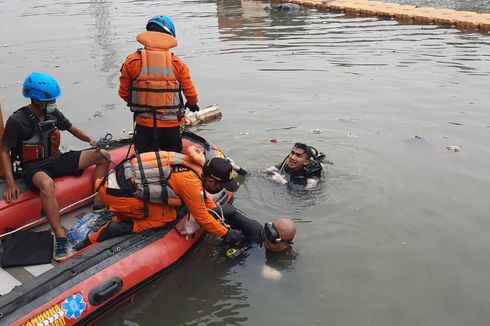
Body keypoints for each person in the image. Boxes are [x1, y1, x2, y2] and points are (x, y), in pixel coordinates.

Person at [0, 72, 111, 261]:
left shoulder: (52, 113)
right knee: (47, 184)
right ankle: (60, 236)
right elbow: (4, 151)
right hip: (33, 167)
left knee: (104, 156)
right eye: (49, 99)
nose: (52, 102)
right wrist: (11, 183)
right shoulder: (16, 121)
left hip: (55, 159)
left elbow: (71, 128)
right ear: (35, 98)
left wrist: (89, 139)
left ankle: (99, 205)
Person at [74, 149, 243, 250]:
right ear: (211, 181)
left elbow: (203, 199)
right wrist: (226, 233)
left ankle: (86, 241)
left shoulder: (195, 165)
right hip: (118, 195)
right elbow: (202, 217)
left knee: (168, 207)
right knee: (166, 216)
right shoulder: (190, 182)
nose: (221, 189)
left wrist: (215, 211)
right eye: (221, 186)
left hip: (115, 182)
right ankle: (121, 225)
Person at [119, 14, 200, 154]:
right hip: (171, 126)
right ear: (169, 37)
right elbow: (190, 93)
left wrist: (141, 103)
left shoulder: (132, 62)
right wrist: (192, 103)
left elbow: (123, 93)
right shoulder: (177, 64)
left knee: (145, 164)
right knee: (174, 162)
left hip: (144, 125)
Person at [210, 204, 296, 253]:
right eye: (268, 230)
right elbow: (230, 209)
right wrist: (203, 218)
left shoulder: (287, 255)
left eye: (272, 237)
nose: (267, 239)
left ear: (285, 244)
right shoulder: (256, 232)